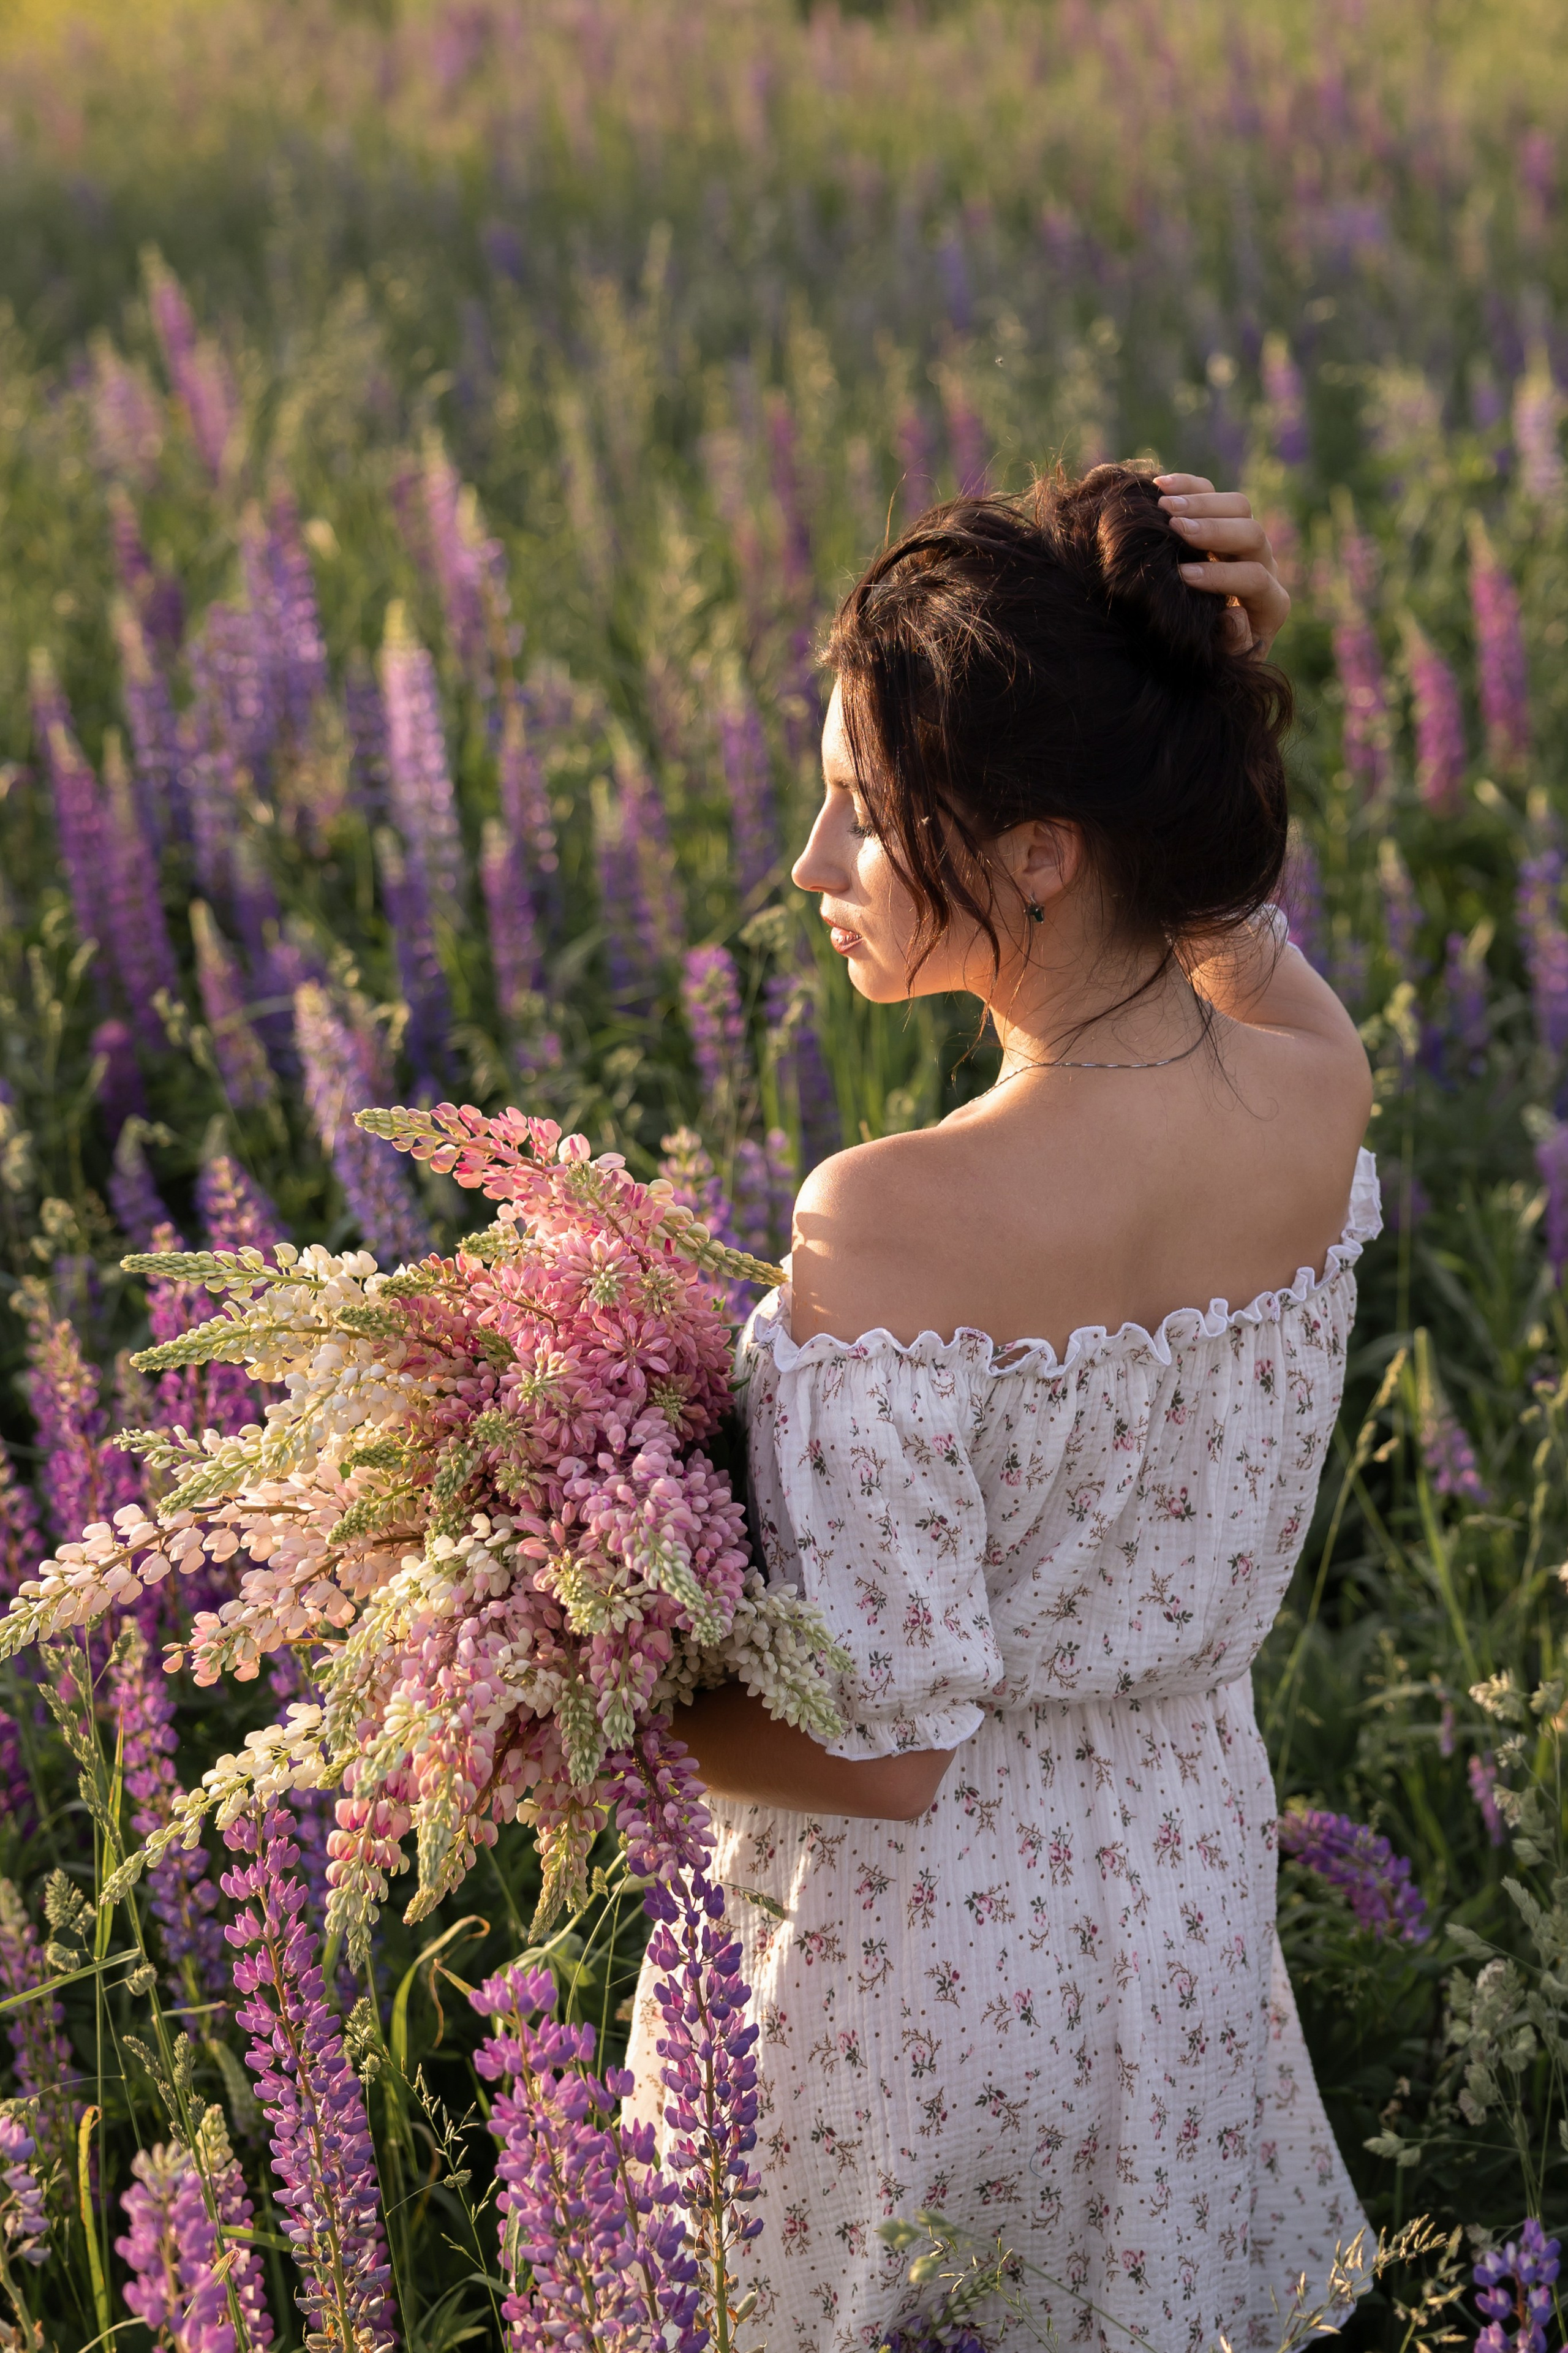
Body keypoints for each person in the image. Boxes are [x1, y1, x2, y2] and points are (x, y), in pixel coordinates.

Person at [627, 463, 1376, 2352]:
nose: (811, 865)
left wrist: (580, 1667)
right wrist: (1191, 697)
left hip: (923, 1979)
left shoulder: (886, 1216)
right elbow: (1224, 932)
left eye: (867, 818)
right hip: (1186, 1920)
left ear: (1042, 852)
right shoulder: (1313, 1087)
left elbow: (883, 1745)